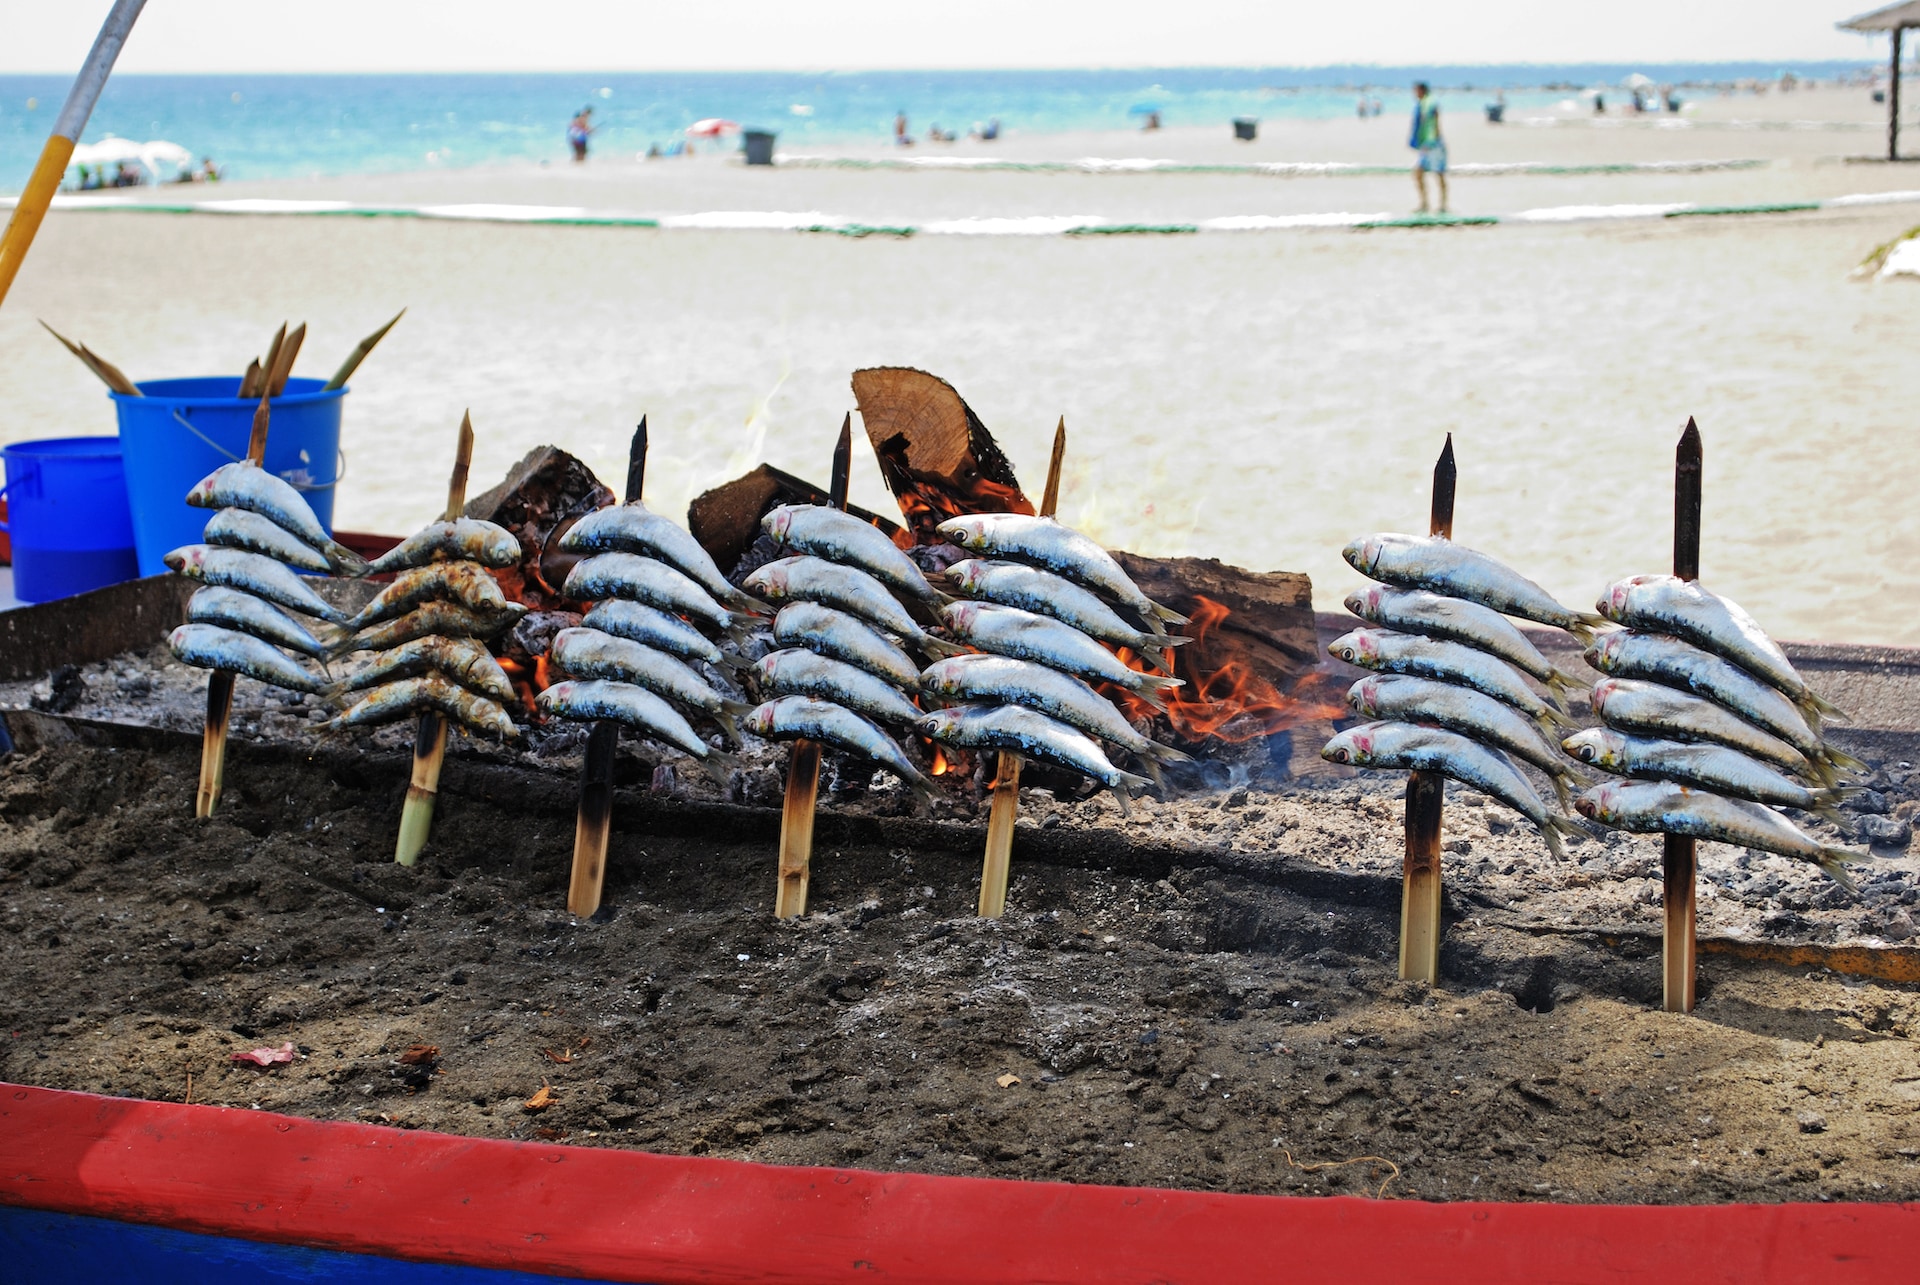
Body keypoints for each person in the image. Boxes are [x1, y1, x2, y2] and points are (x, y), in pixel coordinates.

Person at [1408, 81, 1447, 214]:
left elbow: (1434, 117)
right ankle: (1426, 204)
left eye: (1416, 90)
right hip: (1428, 143)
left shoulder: (1429, 102)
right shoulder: (1424, 103)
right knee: (1420, 173)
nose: (1414, 94)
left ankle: (1440, 205)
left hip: (1433, 144)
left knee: (1438, 174)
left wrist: (1434, 138)